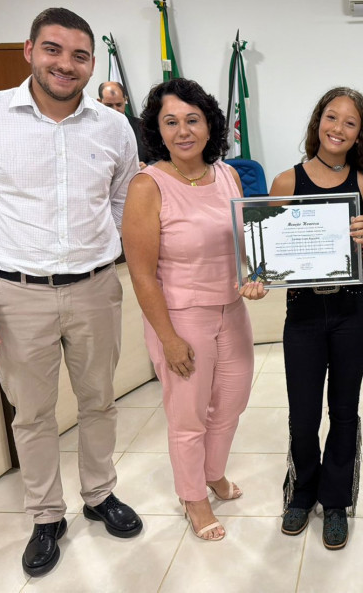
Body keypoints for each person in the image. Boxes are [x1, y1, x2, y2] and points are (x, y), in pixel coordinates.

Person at [0, 7, 142, 577]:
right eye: (54, 50)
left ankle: (100, 494)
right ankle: (46, 514)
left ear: (91, 64)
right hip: (16, 293)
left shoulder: (114, 126)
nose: (66, 64)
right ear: (29, 50)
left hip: (97, 288)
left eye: (80, 55)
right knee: (32, 413)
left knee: (100, 400)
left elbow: (126, 202)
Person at [122, 78, 264, 542]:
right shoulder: (148, 185)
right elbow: (142, 274)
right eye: (170, 122)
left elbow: (245, 244)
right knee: (188, 415)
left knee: (233, 401)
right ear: (157, 130)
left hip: (231, 311)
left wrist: (255, 276)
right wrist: (168, 338)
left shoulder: (227, 174)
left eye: (192, 120)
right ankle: (193, 496)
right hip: (182, 317)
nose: (183, 131)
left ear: (209, 125)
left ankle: (213, 471)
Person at [270, 87, 363, 550]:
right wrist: (258, 273)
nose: (338, 128)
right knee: (302, 414)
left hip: (351, 311)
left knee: (344, 411)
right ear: (318, 121)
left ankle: (335, 501)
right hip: (302, 313)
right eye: (331, 118)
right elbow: (269, 252)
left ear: (360, 135)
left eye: (350, 123)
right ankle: (302, 493)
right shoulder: (284, 181)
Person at [98, 80, 150, 166]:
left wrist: (148, 167)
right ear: (99, 102)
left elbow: (159, 159)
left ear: (125, 100)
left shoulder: (143, 127)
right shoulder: (91, 130)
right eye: (109, 105)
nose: (115, 110)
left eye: (119, 105)